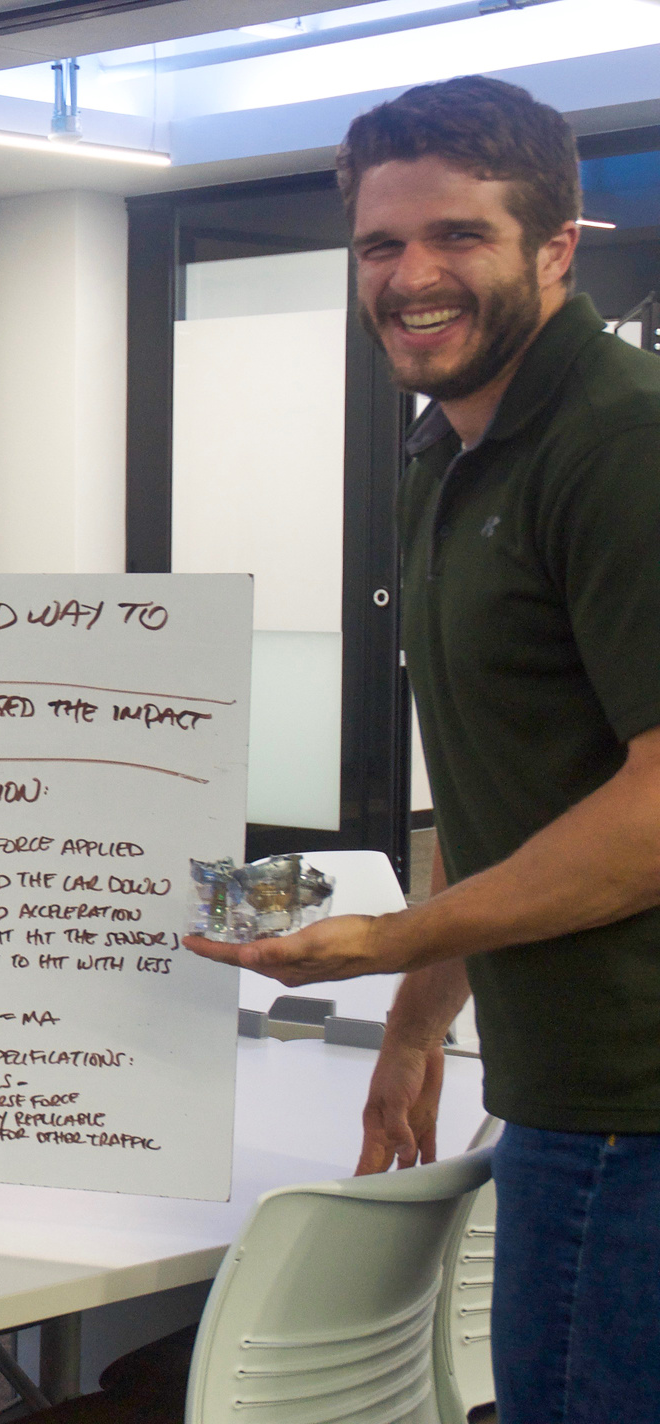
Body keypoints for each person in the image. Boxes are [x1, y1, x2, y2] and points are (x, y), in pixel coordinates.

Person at [182, 78, 660, 1420]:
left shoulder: (621, 444)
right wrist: (415, 1017)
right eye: (379, 245)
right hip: (565, 1084)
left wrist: (387, 942)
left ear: (555, 246)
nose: (410, 277)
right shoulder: (443, 455)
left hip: (636, 1098)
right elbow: (510, 785)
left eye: (458, 235)